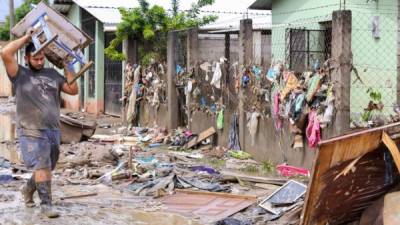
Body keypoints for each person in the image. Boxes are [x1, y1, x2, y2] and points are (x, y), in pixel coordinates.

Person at [0, 30, 78, 218]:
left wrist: (68, 66)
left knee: (46, 167)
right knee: (42, 166)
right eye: (35, 59)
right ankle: (46, 205)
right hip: (30, 129)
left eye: (42, 58)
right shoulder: (19, 73)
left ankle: (28, 189)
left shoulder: (52, 74)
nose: (39, 62)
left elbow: (73, 89)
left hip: (52, 129)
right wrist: (27, 38)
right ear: (26, 59)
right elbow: (5, 53)